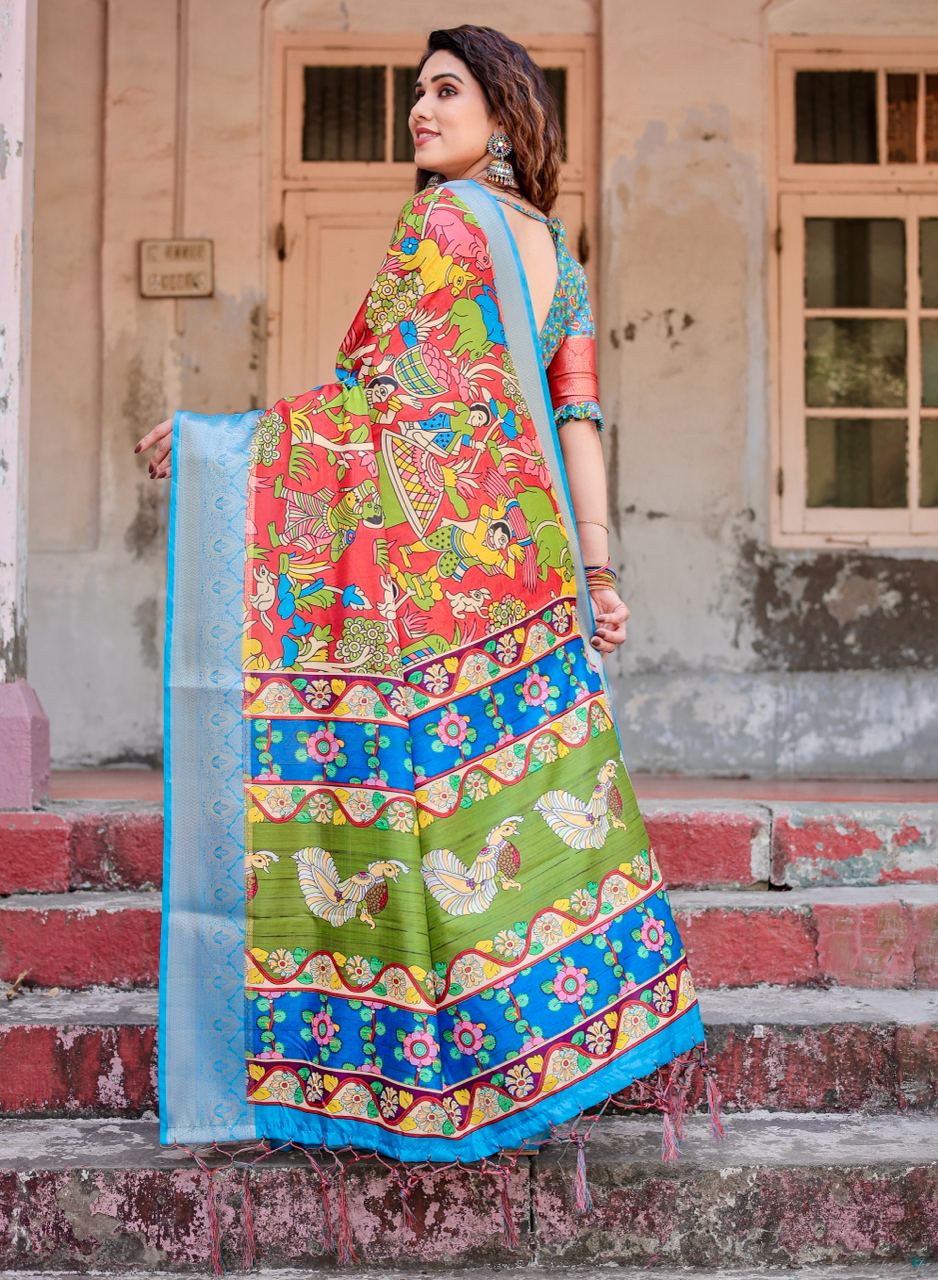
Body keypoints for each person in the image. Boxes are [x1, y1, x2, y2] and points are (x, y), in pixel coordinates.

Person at [137, 22, 720, 1225]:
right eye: (414, 94)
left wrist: (218, 449)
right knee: (522, 824)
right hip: (535, 572)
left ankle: (411, 1075)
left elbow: (378, 397)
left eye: (444, 90)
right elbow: (578, 419)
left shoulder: (441, 223)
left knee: (416, 817)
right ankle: (546, 1060)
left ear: (504, 113)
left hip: (436, 578)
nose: (419, 109)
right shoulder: (553, 247)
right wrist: (600, 570)